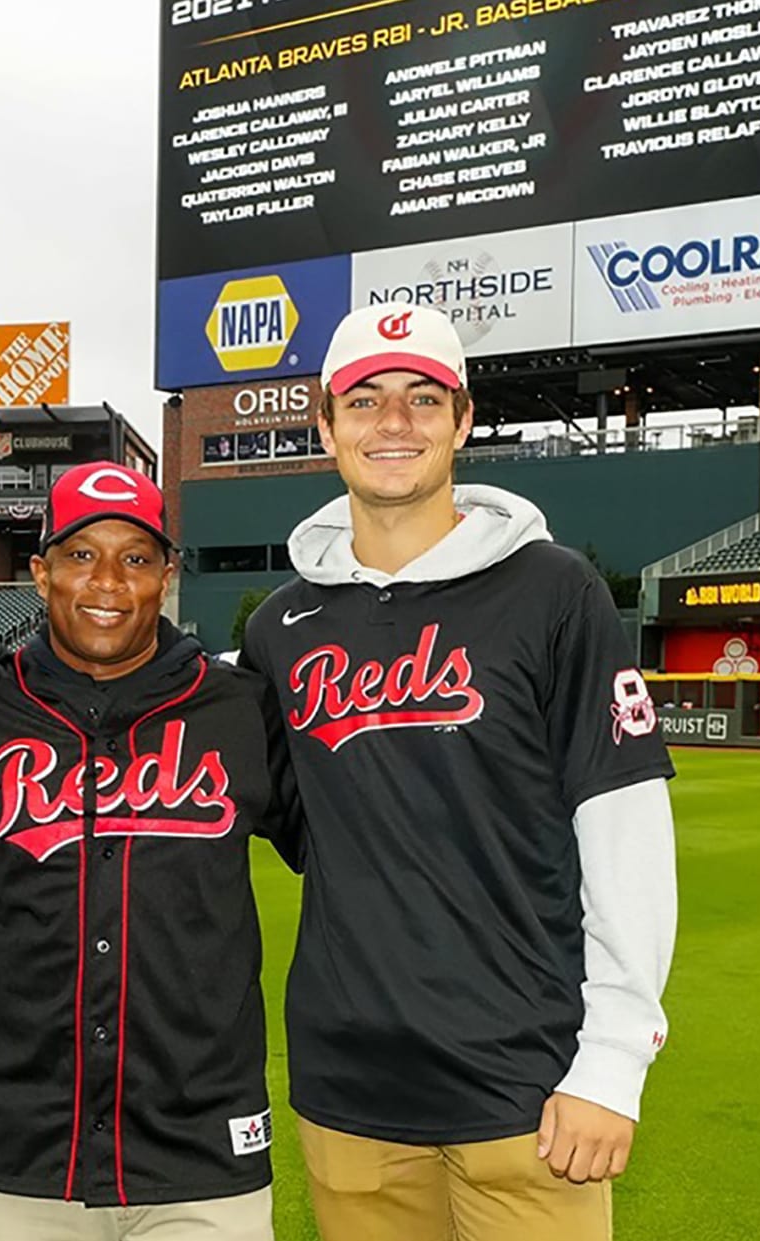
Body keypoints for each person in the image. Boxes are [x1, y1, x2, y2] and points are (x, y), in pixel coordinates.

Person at [237, 304, 678, 1241]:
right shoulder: (280, 627)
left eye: (421, 397)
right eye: (364, 399)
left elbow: (627, 827)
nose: (393, 421)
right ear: (325, 423)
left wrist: (612, 1061)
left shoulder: (555, 591)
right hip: (349, 1084)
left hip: (530, 1085)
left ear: (464, 420)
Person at [0, 462, 301, 1241]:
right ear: (42, 570)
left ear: (167, 573)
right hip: (23, 1147)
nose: (109, 581)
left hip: (202, 1145)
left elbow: (355, 853)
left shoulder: (240, 710)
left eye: (136, 556)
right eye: (82, 554)